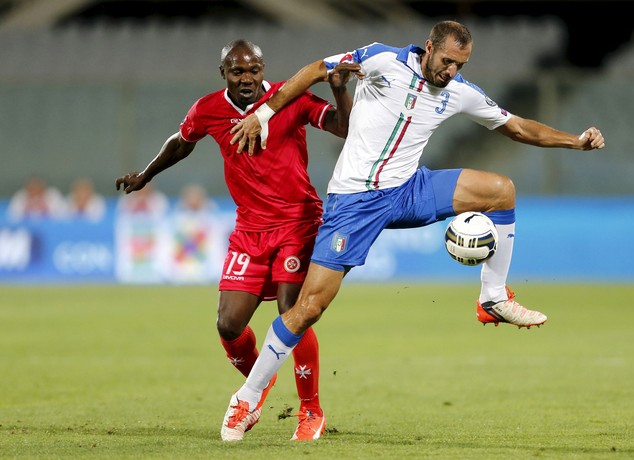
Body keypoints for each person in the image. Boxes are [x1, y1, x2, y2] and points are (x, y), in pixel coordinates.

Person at [225, 20, 606, 436]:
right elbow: (317, 68)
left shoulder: (459, 92)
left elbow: (516, 126)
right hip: (354, 202)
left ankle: (493, 298)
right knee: (307, 309)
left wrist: (575, 141)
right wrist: (263, 113)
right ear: (429, 48)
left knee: (502, 191)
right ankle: (248, 397)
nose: (451, 72)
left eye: (460, 65)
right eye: (446, 61)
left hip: (409, 189)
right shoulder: (381, 59)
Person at [114, 39, 354, 441]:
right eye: (238, 71)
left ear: (263, 69)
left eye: (254, 70)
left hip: (297, 222)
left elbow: (343, 127)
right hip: (249, 230)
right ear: (223, 73)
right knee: (228, 325)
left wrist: (338, 88)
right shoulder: (208, 108)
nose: (247, 78)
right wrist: (146, 174)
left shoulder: (289, 97)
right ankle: (261, 381)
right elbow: (181, 141)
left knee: (290, 311)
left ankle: (311, 410)